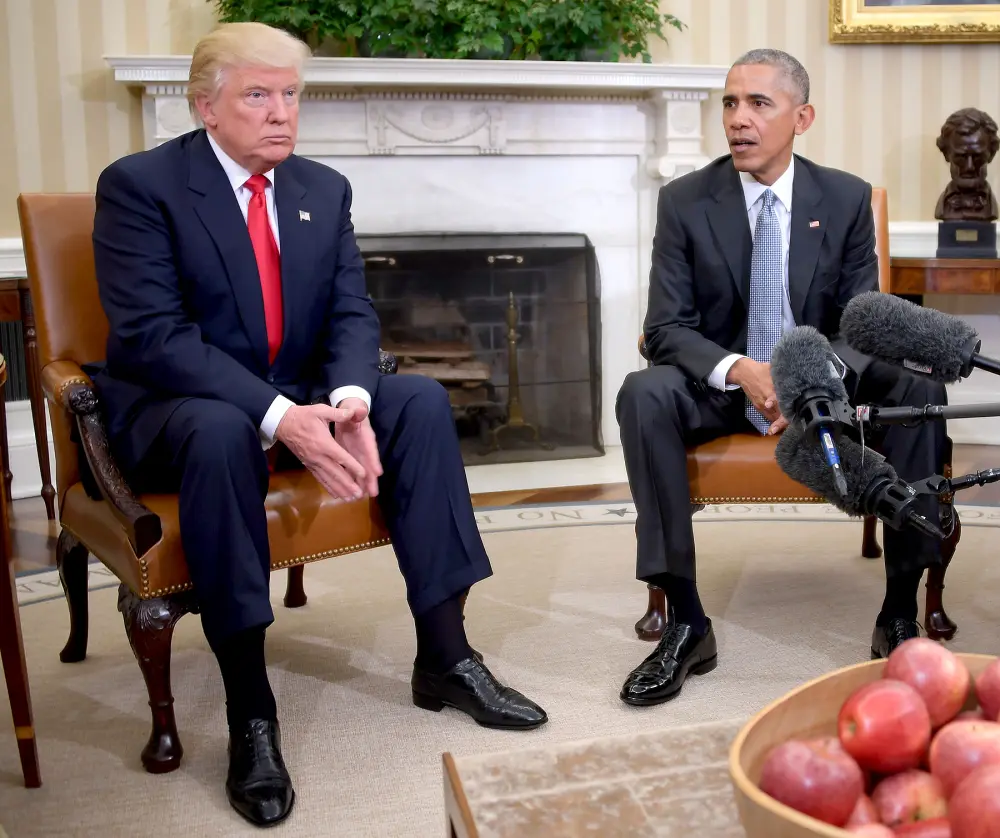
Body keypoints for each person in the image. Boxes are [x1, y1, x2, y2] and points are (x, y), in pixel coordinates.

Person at [88, 21, 547, 828]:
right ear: (206, 106)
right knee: (219, 428)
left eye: (291, 94)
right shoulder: (141, 185)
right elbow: (154, 338)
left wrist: (348, 403)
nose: (280, 113)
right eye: (258, 95)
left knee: (421, 402)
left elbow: (350, 311)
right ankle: (251, 713)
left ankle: (446, 655)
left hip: (296, 391)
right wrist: (279, 416)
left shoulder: (320, 189)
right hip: (172, 409)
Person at [615, 48, 950, 708]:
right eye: (730, 104)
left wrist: (799, 383)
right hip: (722, 386)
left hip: (821, 383)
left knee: (920, 389)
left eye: (758, 104)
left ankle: (900, 612)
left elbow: (861, 323)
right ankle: (686, 622)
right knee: (643, 391)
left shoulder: (845, 198)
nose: (739, 119)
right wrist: (742, 370)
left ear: (802, 117)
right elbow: (664, 327)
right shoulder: (685, 201)